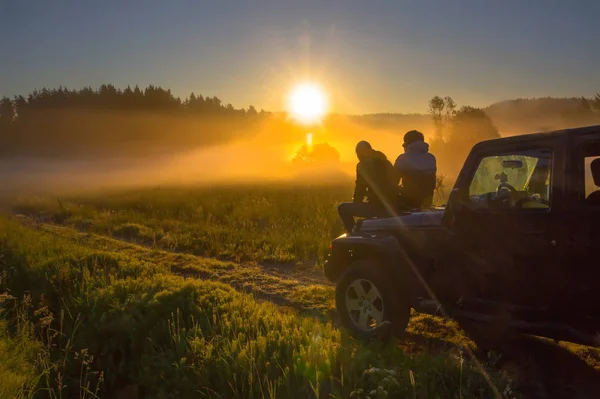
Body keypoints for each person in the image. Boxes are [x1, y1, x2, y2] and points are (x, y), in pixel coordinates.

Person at [338, 141, 398, 233]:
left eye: (357, 154)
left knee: (342, 208)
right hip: (395, 207)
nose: (357, 157)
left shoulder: (362, 165)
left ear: (359, 153)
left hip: (377, 207)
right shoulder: (385, 161)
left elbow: (360, 189)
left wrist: (357, 203)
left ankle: (354, 233)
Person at [394, 130, 437, 209]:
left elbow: (393, 181)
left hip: (409, 202)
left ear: (407, 143)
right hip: (427, 202)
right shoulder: (431, 158)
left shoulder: (402, 158)